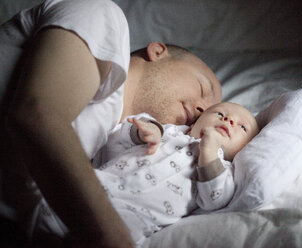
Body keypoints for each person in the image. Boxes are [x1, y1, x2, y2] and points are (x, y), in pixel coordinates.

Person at [0, 0, 221, 247]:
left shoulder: (111, 150)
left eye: (210, 111)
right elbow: (36, 113)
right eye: (203, 87)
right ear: (157, 52)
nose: (204, 109)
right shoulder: (102, 16)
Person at [35, 102, 259, 246]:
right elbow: (116, 138)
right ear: (196, 122)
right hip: (97, 185)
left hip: (132, 218)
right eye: (220, 113)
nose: (229, 121)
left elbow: (214, 199)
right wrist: (144, 132)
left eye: (242, 127)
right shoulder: (169, 131)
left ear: (244, 148)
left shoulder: (224, 170)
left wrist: (209, 151)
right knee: (46, 208)